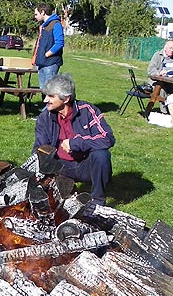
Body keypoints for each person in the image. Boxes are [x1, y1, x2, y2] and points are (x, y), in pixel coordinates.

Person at [33, 73, 115, 205]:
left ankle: (97, 201)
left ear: (66, 99)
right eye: (45, 95)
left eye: (51, 96)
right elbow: (39, 149)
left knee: (101, 155)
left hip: (85, 165)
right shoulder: (44, 118)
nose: (45, 100)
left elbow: (107, 138)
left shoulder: (87, 111)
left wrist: (75, 143)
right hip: (60, 167)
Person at [147, 40, 173, 113]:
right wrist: (158, 73)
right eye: (170, 48)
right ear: (165, 48)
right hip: (157, 82)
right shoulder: (157, 55)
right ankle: (165, 111)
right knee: (162, 89)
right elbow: (150, 70)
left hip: (172, 82)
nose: (172, 50)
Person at [32, 4, 64, 89]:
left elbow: (59, 44)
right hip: (42, 62)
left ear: (42, 12)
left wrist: (46, 55)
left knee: (50, 90)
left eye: (36, 14)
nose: (35, 17)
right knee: (43, 90)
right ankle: (45, 103)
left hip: (51, 63)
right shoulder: (43, 26)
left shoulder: (56, 24)